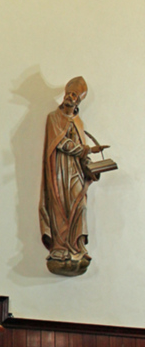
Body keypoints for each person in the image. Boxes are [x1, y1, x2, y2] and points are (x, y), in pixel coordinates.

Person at [39, 77, 109, 277]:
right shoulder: (54, 117)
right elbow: (61, 143)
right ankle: (60, 248)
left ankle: (77, 247)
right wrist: (88, 149)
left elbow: (81, 152)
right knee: (60, 207)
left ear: (78, 101)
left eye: (75, 96)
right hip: (59, 171)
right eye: (69, 94)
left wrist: (91, 168)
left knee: (80, 206)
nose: (70, 97)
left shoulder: (79, 122)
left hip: (76, 171)